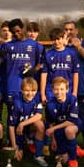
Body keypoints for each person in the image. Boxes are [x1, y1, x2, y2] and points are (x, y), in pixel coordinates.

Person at [0, 18, 41, 146]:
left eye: (18, 31)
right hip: (12, 86)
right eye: (13, 32)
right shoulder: (7, 45)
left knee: (29, 113)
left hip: (29, 87)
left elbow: (40, 65)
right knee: (12, 114)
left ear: (23, 29)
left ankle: (28, 139)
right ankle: (12, 142)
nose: (16, 34)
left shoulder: (34, 45)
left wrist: (32, 71)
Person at [64, 21, 84, 149]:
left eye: (71, 29)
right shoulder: (63, 45)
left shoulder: (83, 43)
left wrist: (79, 47)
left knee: (82, 115)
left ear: (76, 30)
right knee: (66, 116)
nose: (69, 32)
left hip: (81, 87)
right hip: (66, 89)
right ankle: (66, 139)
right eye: (66, 29)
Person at [8, 77, 48, 167]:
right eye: (27, 90)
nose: (30, 93)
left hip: (26, 126)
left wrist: (23, 123)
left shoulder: (37, 97)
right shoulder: (17, 102)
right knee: (18, 157)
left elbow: (39, 115)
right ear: (22, 90)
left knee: (40, 125)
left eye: (33, 90)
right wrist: (14, 147)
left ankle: (38, 155)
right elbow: (11, 126)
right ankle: (22, 142)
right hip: (18, 131)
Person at [45, 77, 82, 167]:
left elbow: (70, 121)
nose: (59, 92)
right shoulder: (50, 104)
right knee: (62, 157)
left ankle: (73, 160)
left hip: (74, 125)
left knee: (68, 130)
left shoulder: (72, 99)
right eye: (56, 89)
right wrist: (53, 139)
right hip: (59, 129)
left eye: (62, 89)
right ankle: (74, 149)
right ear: (52, 90)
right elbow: (51, 123)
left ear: (67, 89)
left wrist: (53, 129)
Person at [26, 22, 49, 156]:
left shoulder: (41, 47)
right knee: (26, 113)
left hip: (38, 86)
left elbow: (43, 67)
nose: (32, 34)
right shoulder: (23, 46)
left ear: (38, 33)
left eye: (34, 31)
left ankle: (42, 141)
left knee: (40, 115)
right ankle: (26, 139)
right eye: (29, 31)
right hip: (26, 86)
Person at [40, 27, 79, 103]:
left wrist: (74, 92)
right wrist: (42, 94)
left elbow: (75, 74)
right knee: (51, 114)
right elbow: (44, 75)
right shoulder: (47, 54)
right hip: (51, 92)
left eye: (58, 39)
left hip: (68, 91)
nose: (56, 42)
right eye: (54, 40)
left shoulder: (72, 53)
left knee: (67, 114)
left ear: (63, 38)